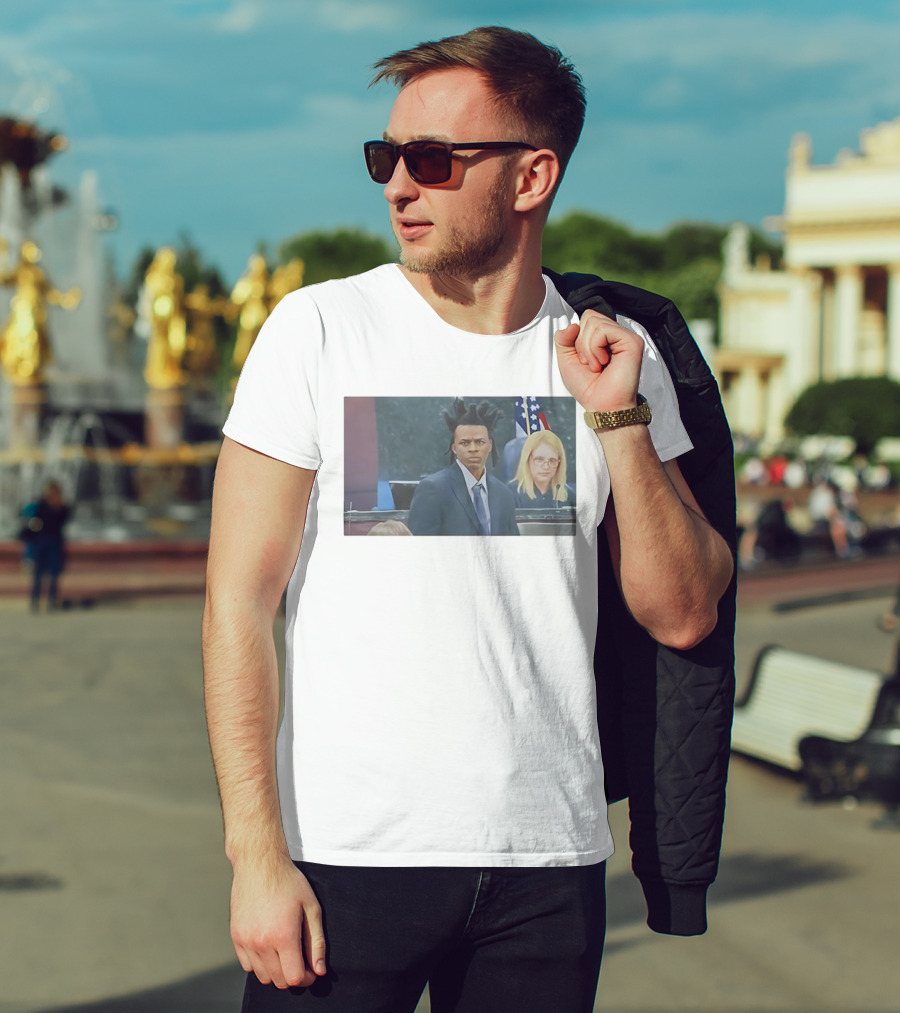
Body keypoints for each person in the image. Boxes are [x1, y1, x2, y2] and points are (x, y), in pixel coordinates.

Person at [202, 26, 734, 1013]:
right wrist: (255, 854)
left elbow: (685, 610)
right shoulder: (318, 330)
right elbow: (239, 605)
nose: (399, 185)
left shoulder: (616, 356)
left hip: (548, 863)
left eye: (433, 160)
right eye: (385, 157)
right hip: (344, 861)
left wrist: (616, 417)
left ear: (532, 176)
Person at [406, 398, 519, 535]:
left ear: (490, 445)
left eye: (480, 442)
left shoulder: (503, 494)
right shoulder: (432, 489)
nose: (473, 448)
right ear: (454, 448)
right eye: (465, 443)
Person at [24, 480, 70, 612]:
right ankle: (35, 600)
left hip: (55, 541)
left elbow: (64, 520)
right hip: (41, 541)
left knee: (54, 572)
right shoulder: (41, 504)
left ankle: (51, 600)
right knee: (38, 572)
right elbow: (33, 519)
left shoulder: (62, 507)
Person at [508, 429, 571, 507]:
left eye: (552, 460)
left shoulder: (569, 494)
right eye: (539, 459)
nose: (546, 467)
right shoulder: (509, 494)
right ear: (527, 459)